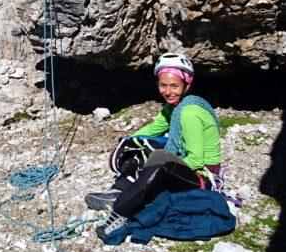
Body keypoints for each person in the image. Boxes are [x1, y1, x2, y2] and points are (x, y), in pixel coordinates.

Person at [84, 52, 223, 240]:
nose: (168, 91)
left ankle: (121, 211)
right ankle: (120, 190)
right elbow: (153, 129)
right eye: (163, 85)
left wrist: (159, 164)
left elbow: (196, 160)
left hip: (202, 179)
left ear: (187, 85)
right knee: (141, 148)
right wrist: (127, 142)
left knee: (160, 160)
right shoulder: (173, 107)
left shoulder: (189, 113)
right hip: (190, 171)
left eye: (174, 85)